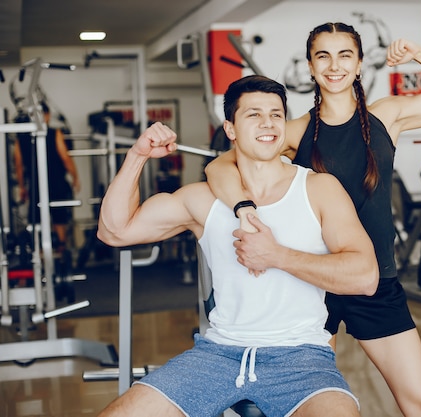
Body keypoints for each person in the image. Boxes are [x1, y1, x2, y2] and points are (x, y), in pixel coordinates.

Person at [205, 22, 421, 417]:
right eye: (323, 56)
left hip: (377, 282)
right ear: (310, 67)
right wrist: (243, 207)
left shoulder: (387, 115)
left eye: (344, 55)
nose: (334, 65)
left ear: (358, 65)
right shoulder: (296, 130)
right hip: (314, 283)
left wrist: (419, 54)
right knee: (309, 406)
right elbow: (218, 167)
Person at [96, 75, 379, 417]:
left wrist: (277, 255)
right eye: (254, 115)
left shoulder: (319, 189)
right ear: (230, 129)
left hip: (301, 358)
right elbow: (114, 231)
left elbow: (365, 276)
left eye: (276, 114)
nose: (268, 123)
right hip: (217, 353)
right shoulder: (203, 199)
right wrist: (138, 156)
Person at [13, 101, 81, 255]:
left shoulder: (21, 137)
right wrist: (75, 177)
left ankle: (41, 251)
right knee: (58, 213)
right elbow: (65, 157)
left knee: (39, 214)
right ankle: (60, 248)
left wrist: (22, 186)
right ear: (47, 115)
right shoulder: (54, 133)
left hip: (36, 182)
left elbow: (18, 165)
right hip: (55, 180)